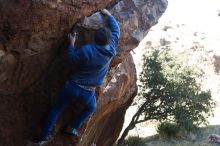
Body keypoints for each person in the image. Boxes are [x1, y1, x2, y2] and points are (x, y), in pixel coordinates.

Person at [34, 9, 120, 145]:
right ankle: (72, 127)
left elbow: (72, 59)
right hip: (88, 92)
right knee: (91, 108)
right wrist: (108, 15)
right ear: (109, 40)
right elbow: (116, 29)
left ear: (95, 39)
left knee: (57, 109)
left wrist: (72, 44)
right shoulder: (112, 49)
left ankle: (43, 137)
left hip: (73, 86)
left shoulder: (88, 50)